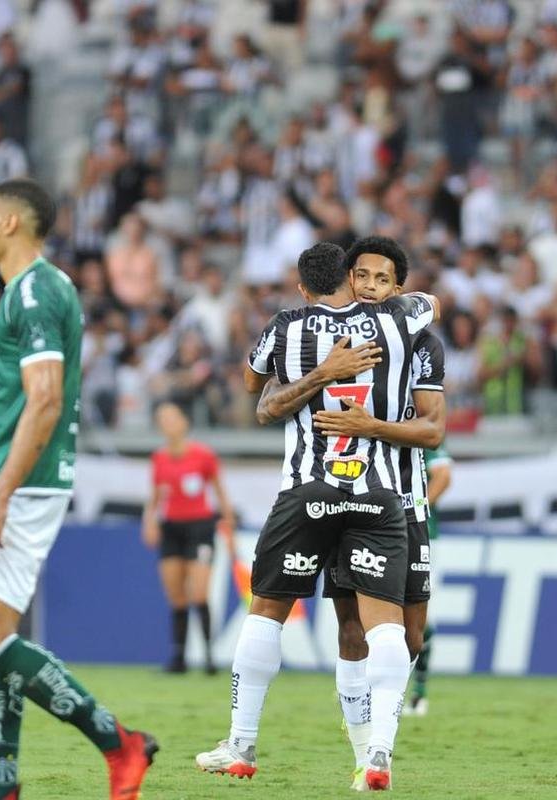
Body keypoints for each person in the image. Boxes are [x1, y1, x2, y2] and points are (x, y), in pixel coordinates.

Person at [195, 242, 439, 791]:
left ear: (303, 288)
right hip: (380, 494)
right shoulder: (398, 321)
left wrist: (317, 373)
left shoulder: (286, 326)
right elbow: (431, 304)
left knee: (266, 613)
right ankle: (379, 754)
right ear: (352, 279)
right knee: (385, 627)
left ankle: (241, 743)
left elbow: (254, 387)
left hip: (309, 491)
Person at [0, 178, 157, 800]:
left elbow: (43, 401)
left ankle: (119, 743)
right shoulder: (30, 290)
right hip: (4, 478)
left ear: (11, 222)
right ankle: (2, 787)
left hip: (16, 482)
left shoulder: (36, 290)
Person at [143, 402, 237, 675]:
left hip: (200, 527)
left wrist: (228, 527)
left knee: (199, 592)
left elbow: (220, 492)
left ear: (184, 422)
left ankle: (208, 655)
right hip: (171, 528)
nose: (168, 424)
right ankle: (179, 658)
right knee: (176, 595)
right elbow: (155, 495)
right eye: (162, 419)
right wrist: (150, 521)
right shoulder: (159, 458)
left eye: (172, 418)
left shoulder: (203, 455)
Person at [404, 445, 452, 716]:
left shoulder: (422, 433)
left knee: (417, 613)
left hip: (420, 535)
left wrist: (417, 508)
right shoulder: (375, 430)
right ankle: (368, 688)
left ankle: (419, 692)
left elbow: (443, 475)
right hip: (377, 531)